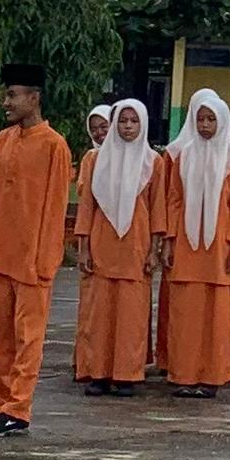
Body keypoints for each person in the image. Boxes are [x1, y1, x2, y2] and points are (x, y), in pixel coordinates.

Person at [0, 71, 74, 436]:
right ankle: (0, 404)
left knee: (27, 338)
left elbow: (56, 207)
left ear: (34, 98)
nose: (6, 103)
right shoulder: (2, 140)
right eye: (6, 95)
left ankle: (18, 407)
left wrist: (45, 259)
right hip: (1, 254)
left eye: (13, 95)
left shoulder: (54, 145)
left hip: (33, 259)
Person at [150, 88, 230, 396]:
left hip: (218, 249)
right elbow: (174, 200)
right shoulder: (183, 156)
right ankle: (184, 376)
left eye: (211, 119)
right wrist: (169, 241)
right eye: (200, 119)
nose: (205, 125)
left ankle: (212, 377)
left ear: (222, 121)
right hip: (186, 247)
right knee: (185, 314)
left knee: (215, 316)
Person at [74, 102, 158, 396]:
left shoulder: (153, 162)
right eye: (123, 121)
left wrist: (154, 250)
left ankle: (126, 375)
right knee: (101, 313)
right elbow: (87, 206)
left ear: (143, 124)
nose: (128, 126)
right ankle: (98, 373)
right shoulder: (96, 160)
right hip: (102, 244)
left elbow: (158, 210)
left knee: (131, 314)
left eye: (134, 121)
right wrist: (83, 247)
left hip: (136, 247)